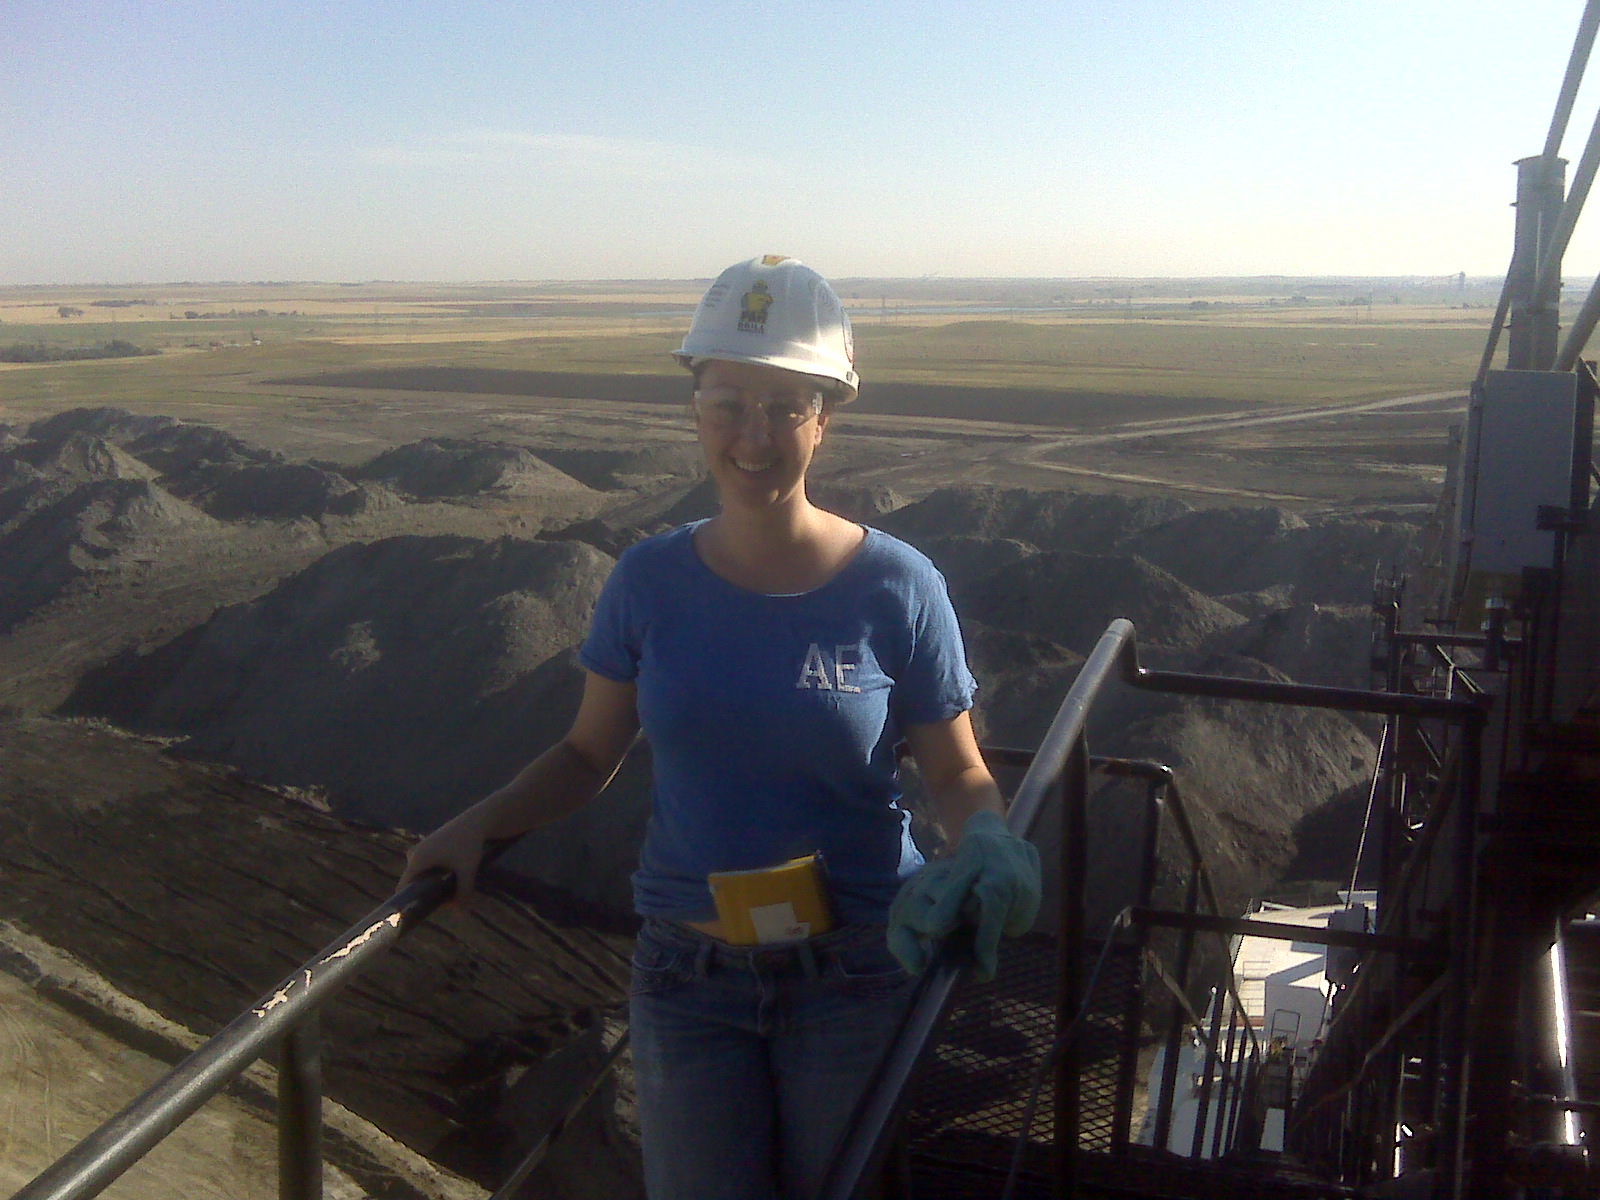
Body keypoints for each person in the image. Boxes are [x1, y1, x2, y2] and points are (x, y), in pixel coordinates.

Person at [398, 255, 1041, 1200]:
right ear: (694, 408)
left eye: (785, 405)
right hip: (688, 983)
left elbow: (955, 769)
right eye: (728, 401)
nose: (754, 434)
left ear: (826, 415)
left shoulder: (899, 587)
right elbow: (587, 755)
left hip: (855, 973)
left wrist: (986, 837)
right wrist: (476, 828)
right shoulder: (647, 583)